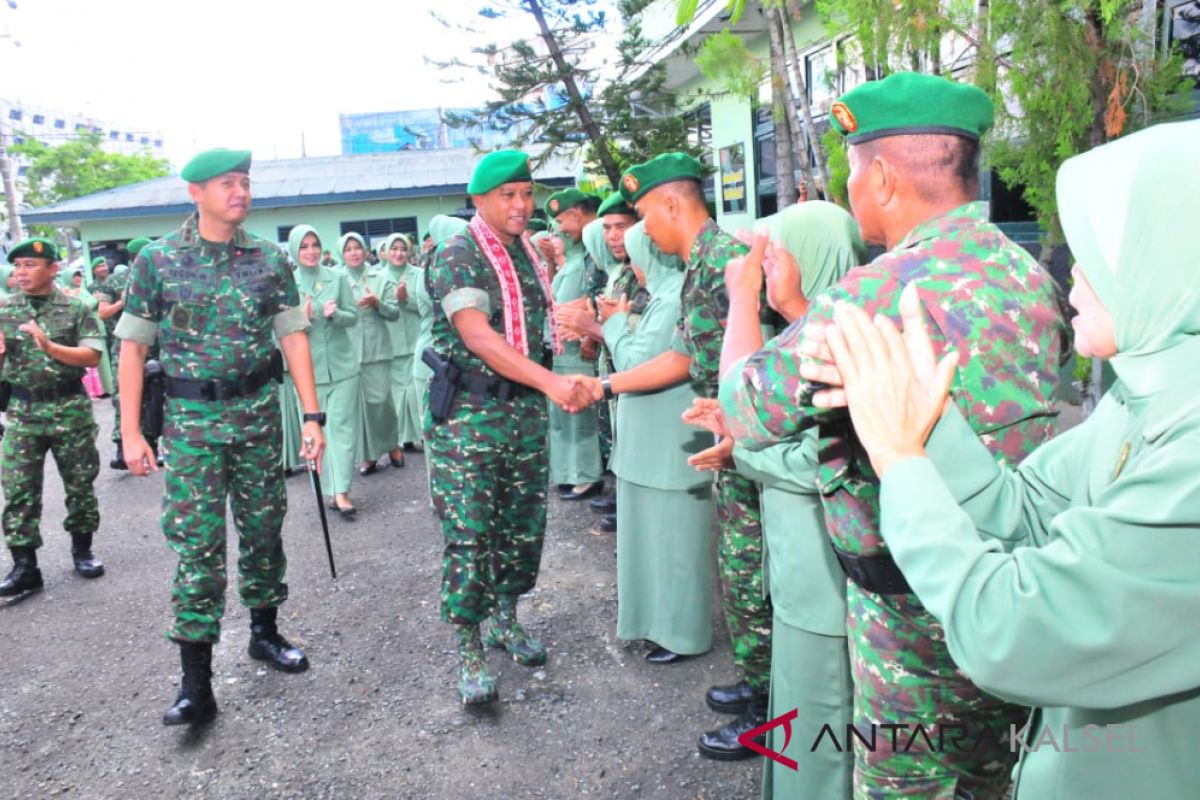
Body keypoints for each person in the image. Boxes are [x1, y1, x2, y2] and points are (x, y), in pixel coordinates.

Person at [803, 117, 1200, 800]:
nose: (1070, 276)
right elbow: (1025, 511)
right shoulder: (1145, 398)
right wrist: (931, 426)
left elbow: (1014, 633)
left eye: (1100, 255)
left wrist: (899, 459)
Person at [718, 72, 1070, 796]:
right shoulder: (1029, 275)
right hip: (1014, 596)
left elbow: (745, 409)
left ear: (880, 176)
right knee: (990, 775)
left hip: (908, 614)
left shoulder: (872, 291)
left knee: (906, 780)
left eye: (850, 170)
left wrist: (742, 304)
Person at [114, 148, 325, 727]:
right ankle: (195, 683)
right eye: (227, 183)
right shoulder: (157, 261)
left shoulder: (269, 259)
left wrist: (312, 416)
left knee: (263, 530)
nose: (240, 192)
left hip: (257, 418)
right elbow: (132, 348)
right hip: (192, 429)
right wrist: (131, 431)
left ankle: (264, 632)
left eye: (245, 182)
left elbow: (294, 338)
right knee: (198, 547)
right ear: (195, 192)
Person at [580, 153, 774, 760]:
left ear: (671, 204)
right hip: (727, 432)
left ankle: (771, 709)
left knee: (753, 572)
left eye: (642, 215)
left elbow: (717, 357)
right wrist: (607, 386)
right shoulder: (701, 264)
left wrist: (606, 384)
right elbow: (688, 355)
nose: (643, 231)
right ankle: (757, 683)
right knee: (738, 571)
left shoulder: (722, 262)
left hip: (747, 435)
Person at [684, 200, 867, 800]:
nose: (760, 264)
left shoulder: (840, 337)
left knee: (825, 714)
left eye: (775, 250)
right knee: (803, 701)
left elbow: (812, 454)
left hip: (825, 576)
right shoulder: (812, 326)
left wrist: (740, 445)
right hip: (798, 568)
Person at [425, 149, 592, 704]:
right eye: (509, 195)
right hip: (470, 419)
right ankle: (469, 647)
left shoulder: (525, 252)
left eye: (527, 193)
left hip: (519, 413)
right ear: (479, 201)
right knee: (471, 533)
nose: (522, 204)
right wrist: (551, 382)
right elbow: (478, 336)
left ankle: (505, 619)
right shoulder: (458, 254)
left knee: (521, 526)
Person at [604, 222, 713, 662]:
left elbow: (634, 360)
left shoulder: (673, 297)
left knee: (674, 546)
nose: (632, 265)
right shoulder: (666, 295)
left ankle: (681, 633)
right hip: (652, 442)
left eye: (634, 255)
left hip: (669, 442)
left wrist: (612, 325)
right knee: (654, 541)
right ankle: (659, 625)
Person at [0, 238, 105, 600]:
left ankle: (83, 550)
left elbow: (91, 356)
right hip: (22, 413)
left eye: (30, 265)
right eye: (17, 267)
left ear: (52, 269)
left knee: (79, 484)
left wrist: (49, 346)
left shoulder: (77, 308)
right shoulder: (5, 311)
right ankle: (25, 568)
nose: (21, 273)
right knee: (17, 491)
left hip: (68, 409)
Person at [289, 225, 361, 517]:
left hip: (343, 367)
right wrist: (300, 319)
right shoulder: (287, 284)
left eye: (314, 245)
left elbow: (353, 316)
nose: (310, 251)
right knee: (314, 433)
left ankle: (341, 492)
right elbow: (276, 330)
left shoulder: (338, 278)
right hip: (308, 373)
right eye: (304, 246)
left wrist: (335, 315)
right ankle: (323, 488)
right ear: (295, 250)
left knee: (342, 431)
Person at [541, 188, 603, 501]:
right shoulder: (574, 261)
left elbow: (593, 302)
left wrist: (591, 336)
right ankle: (570, 473)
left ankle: (586, 475)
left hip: (579, 349)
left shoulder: (588, 258)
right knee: (566, 417)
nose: (560, 231)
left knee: (580, 418)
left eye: (562, 222)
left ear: (577, 214)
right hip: (565, 349)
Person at [410, 215, 468, 503]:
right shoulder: (436, 272)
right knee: (435, 430)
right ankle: (441, 495)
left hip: (445, 362)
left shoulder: (437, 267)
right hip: (434, 363)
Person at [337, 232, 401, 476]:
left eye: (357, 248)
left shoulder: (380, 277)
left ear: (366, 251)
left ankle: (392, 444)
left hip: (377, 348)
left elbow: (394, 313)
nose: (353, 252)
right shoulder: (336, 279)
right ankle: (369, 455)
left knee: (381, 401)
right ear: (342, 254)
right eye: (348, 249)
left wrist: (377, 304)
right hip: (348, 351)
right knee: (359, 408)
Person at [97, 241, 158, 469]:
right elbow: (102, 312)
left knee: (154, 397)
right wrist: (123, 302)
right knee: (124, 397)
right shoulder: (115, 281)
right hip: (124, 347)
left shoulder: (160, 277)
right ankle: (123, 447)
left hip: (157, 347)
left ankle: (152, 445)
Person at [381, 233, 423, 457]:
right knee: (397, 394)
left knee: (416, 392)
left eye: (403, 248)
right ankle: (400, 439)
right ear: (386, 252)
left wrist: (407, 299)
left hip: (417, 339)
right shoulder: (378, 277)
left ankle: (421, 435)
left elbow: (426, 307)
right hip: (392, 342)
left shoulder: (420, 275)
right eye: (394, 248)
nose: (398, 253)